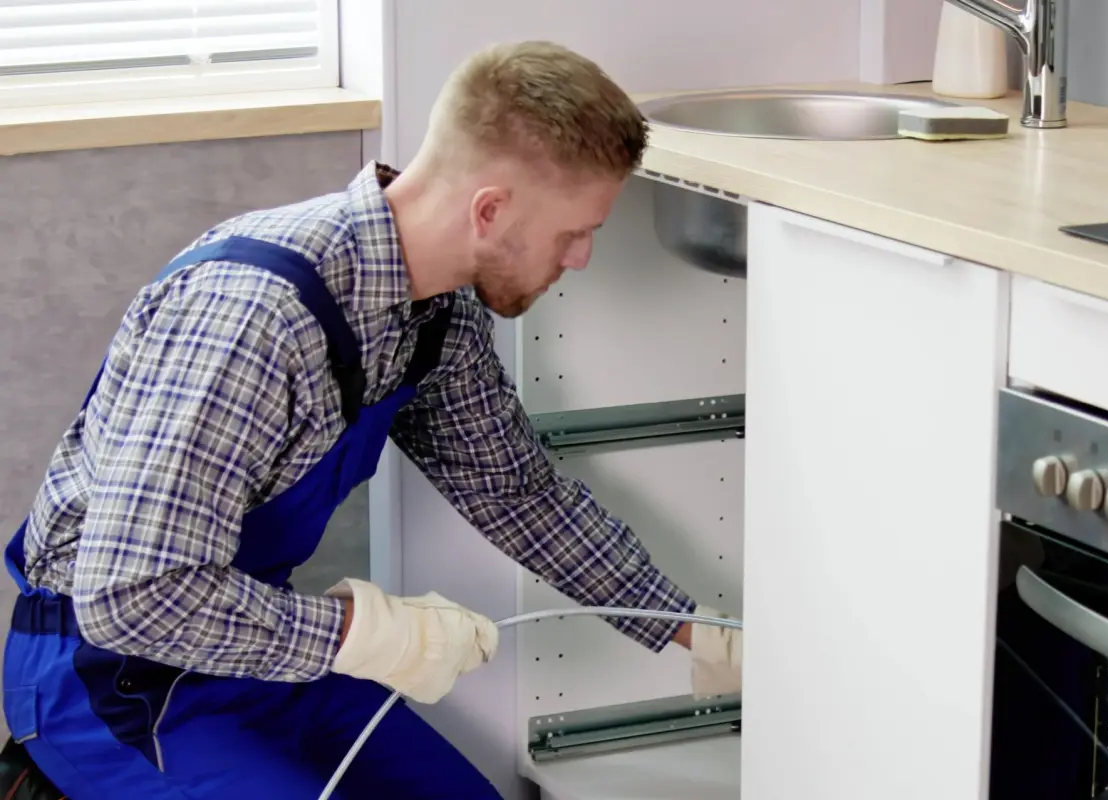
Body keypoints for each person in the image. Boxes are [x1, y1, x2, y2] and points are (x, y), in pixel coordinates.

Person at [1, 40, 742, 799]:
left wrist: (690, 628)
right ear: (490, 210)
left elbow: (516, 495)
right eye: (573, 232)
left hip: (256, 656)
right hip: (111, 681)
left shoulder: (437, 316)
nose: (581, 258)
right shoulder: (254, 319)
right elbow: (133, 597)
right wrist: (366, 636)